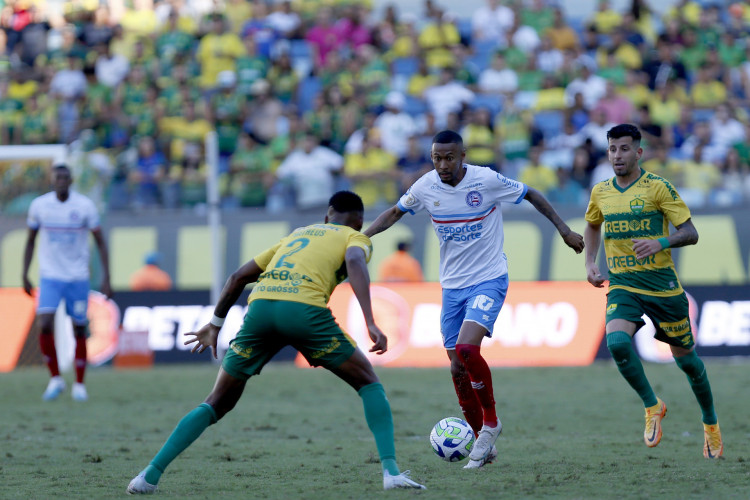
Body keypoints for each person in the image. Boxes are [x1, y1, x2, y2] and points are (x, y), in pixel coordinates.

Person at [127, 191, 425, 494]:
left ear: (327, 215)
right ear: (359, 222)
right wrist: (370, 320)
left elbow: (237, 277)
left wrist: (214, 324)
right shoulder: (355, 238)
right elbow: (354, 260)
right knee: (368, 383)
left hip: (261, 311)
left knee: (216, 401)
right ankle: (390, 472)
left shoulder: (297, 235)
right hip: (304, 312)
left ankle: (148, 475)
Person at [364, 130, 584, 469]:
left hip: (489, 278)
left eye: (449, 157)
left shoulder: (486, 180)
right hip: (452, 287)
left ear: (463, 155)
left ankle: (491, 423)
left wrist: (564, 230)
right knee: (456, 366)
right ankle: (483, 439)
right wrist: (361, 237)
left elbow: (531, 194)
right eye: (437, 158)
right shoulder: (425, 186)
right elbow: (394, 213)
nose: (442, 164)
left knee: (468, 350)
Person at [583, 124, 723, 458]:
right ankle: (652, 405)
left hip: (663, 288)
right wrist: (589, 262)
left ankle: (711, 425)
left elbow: (690, 233)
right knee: (616, 342)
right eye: (613, 149)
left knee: (688, 364)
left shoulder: (658, 188)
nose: (618, 155)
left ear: (638, 152)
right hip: (623, 285)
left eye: (624, 149)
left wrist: (659, 241)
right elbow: (592, 225)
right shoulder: (600, 191)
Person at [22, 164, 112, 402]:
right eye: (57, 177)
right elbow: (30, 241)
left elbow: (101, 242)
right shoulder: (40, 206)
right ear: (52, 180)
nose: (61, 180)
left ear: (71, 180)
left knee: (79, 328)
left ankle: (80, 384)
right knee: (44, 324)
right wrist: (24, 272)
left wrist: (107, 277)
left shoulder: (84, 206)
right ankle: (55, 379)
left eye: (65, 177)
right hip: (50, 277)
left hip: (77, 277)